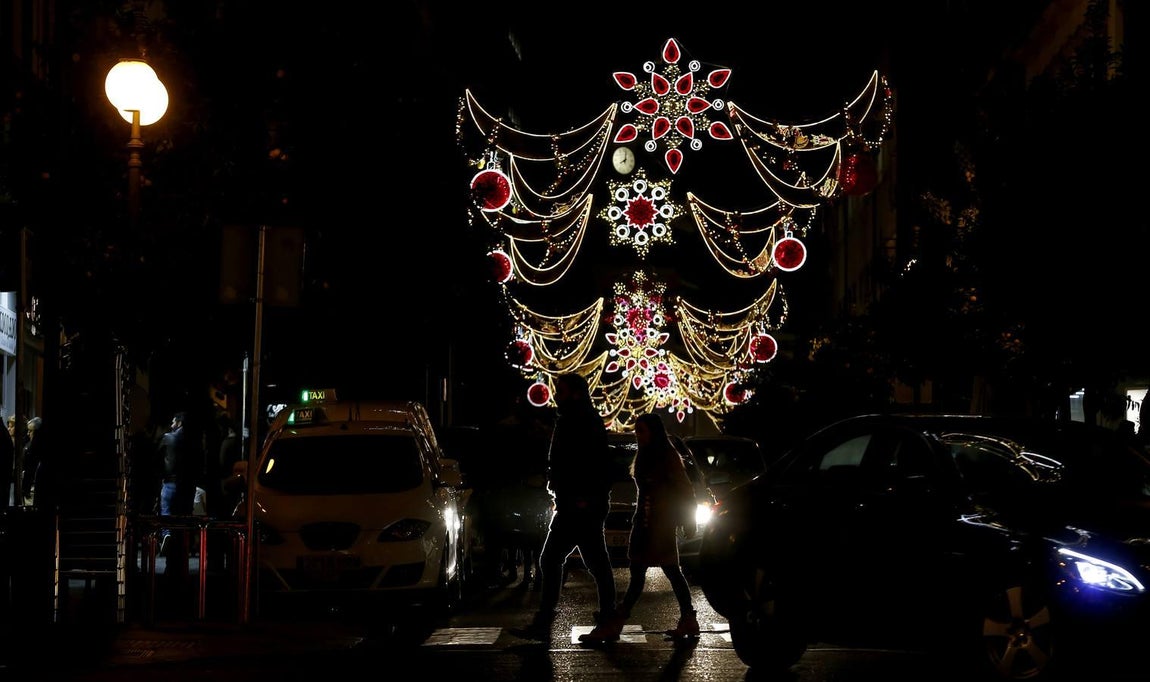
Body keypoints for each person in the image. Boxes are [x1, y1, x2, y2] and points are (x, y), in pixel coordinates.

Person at [529, 372, 621, 641]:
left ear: (575, 393)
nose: (557, 395)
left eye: (561, 390)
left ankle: (550, 620)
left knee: (566, 559)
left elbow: (590, 462)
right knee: (589, 560)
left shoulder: (581, 420)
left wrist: (583, 497)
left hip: (580, 503)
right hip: (575, 501)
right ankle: (603, 617)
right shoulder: (574, 418)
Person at [609, 412, 700, 639]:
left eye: (641, 431)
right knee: (642, 572)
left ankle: (619, 619)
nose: (637, 435)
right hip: (644, 521)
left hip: (660, 523)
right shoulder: (644, 454)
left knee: (667, 570)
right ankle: (687, 618)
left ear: (654, 432)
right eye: (636, 431)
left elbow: (684, 488)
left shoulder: (667, 455)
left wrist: (688, 518)